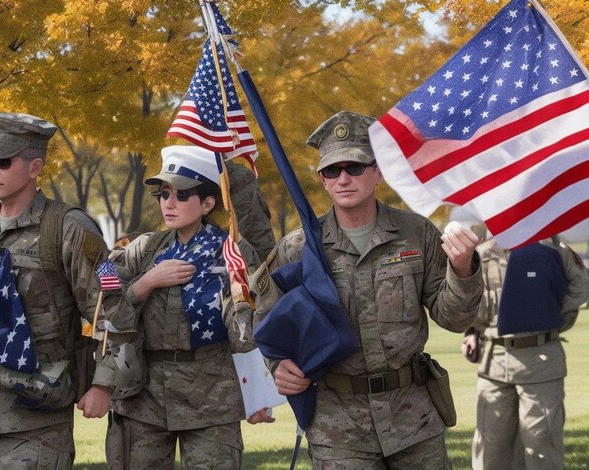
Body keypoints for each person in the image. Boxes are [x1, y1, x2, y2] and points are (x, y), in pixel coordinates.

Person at [252, 111, 484, 469]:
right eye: (332, 170)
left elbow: (454, 318)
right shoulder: (299, 248)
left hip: (414, 419)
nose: (343, 178)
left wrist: (463, 269)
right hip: (338, 426)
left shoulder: (416, 233)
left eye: (355, 167)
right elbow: (267, 321)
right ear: (323, 180)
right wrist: (278, 365)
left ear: (378, 172)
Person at [0, 112, 135, 468]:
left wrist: (103, 385)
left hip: (35, 410)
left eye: (3, 161)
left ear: (34, 166)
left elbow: (113, 309)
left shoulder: (70, 230)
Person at [105, 145, 272, 469]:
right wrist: (146, 283)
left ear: (208, 202)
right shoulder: (143, 248)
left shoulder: (233, 252)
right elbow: (101, 301)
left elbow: (256, 320)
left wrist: (259, 396)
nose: (169, 202)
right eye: (163, 194)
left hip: (213, 394)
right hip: (145, 395)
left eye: (181, 195)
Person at [461, 229, 589, 470]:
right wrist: (472, 332)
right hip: (494, 364)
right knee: (490, 452)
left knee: (542, 450)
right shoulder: (481, 254)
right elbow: (464, 303)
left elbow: (582, 285)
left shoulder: (552, 248)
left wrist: (549, 314)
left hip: (541, 364)